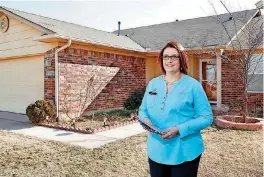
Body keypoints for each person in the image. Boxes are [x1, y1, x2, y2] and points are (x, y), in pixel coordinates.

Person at [138, 41, 213, 177]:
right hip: (156, 150)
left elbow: (206, 117)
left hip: (185, 151)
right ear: (161, 60)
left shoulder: (193, 85)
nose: (169, 60)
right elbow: (143, 109)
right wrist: (146, 121)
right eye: (166, 57)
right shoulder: (153, 84)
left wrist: (179, 129)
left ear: (181, 59)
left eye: (174, 56)